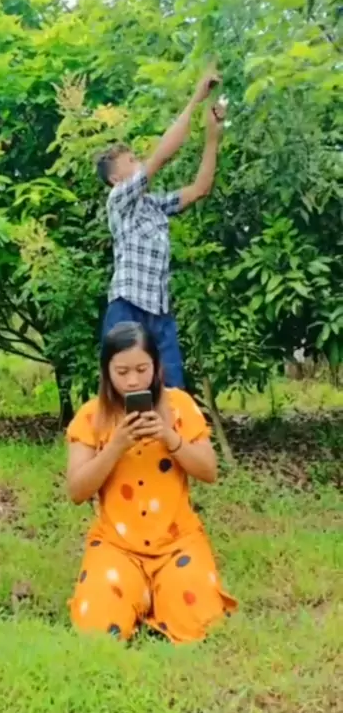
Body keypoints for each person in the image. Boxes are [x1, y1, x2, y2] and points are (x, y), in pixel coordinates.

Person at [66, 321, 237, 644]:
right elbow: (77, 491)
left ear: (157, 368)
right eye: (122, 372)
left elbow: (209, 472)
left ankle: (158, 593)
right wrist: (116, 446)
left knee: (200, 622)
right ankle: (139, 593)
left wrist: (170, 437)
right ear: (107, 373)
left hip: (178, 542)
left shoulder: (180, 406)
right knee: (96, 628)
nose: (133, 380)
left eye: (142, 369)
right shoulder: (91, 416)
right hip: (116, 545)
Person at [97, 70, 227, 389]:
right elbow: (162, 156)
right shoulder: (118, 201)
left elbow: (199, 189)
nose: (139, 162)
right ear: (116, 178)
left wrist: (212, 137)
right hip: (127, 308)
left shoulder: (152, 205)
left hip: (159, 312)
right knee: (125, 394)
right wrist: (196, 99)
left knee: (173, 393)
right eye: (132, 160)